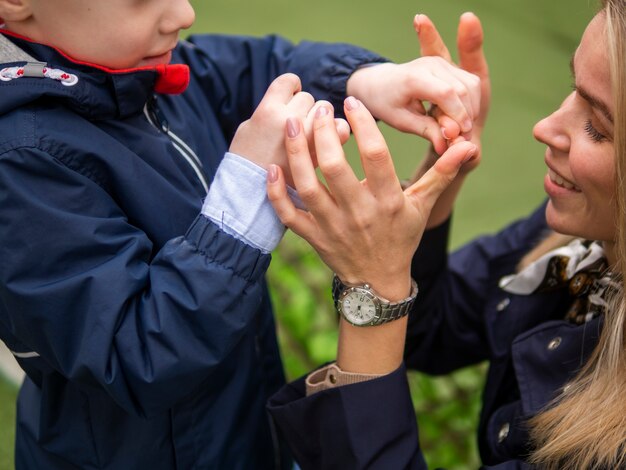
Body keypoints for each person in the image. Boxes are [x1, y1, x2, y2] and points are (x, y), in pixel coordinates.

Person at [0, 0, 484, 468]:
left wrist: (364, 81)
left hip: (243, 435)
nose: (183, 14)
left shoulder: (126, 66)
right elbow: (134, 353)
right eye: (140, 0)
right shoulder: (22, 160)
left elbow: (259, 67)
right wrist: (246, 190)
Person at [267, 1, 626, 468]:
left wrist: (373, 289)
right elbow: (434, 328)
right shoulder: (576, 244)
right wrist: (440, 177)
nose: (545, 128)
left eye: (597, 127)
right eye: (572, 88)